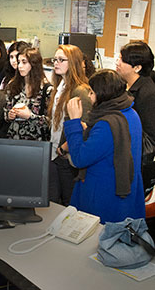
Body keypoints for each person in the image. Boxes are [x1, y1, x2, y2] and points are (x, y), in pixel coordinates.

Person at [64, 69, 145, 223]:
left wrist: (74, 122)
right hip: (125, 192)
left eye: (92, 92)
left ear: (103, 95)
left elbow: (80, 158)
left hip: (103, 194)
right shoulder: (131, 113)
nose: (89, 96)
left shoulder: (107, 124)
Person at [48, 44, 92, 206]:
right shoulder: (60, 86)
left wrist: (64, 149)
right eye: (55, 60)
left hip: (67, 156)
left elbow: (85, 126)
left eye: (61, 60)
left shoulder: (80, 90)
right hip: (55, 153)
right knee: (54, 202)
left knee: (68, 203)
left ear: (73, 63)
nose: (56, 63)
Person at [116, 41, 155, 192]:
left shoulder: (148, 93)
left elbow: (150, 137)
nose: (117, 62)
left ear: (137, 68)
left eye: (122, 60)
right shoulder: (127, 86)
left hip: (135, 163)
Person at [4, 48, 52, 141]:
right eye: (19, 62)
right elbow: (6, 111)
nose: (19, 66)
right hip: (14, 137)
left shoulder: (47, 90)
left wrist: (30, 116)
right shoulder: (13, 86)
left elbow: (51, 122)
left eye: (24, 62)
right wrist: (9, 115)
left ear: (34, 64)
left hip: (36, 142)